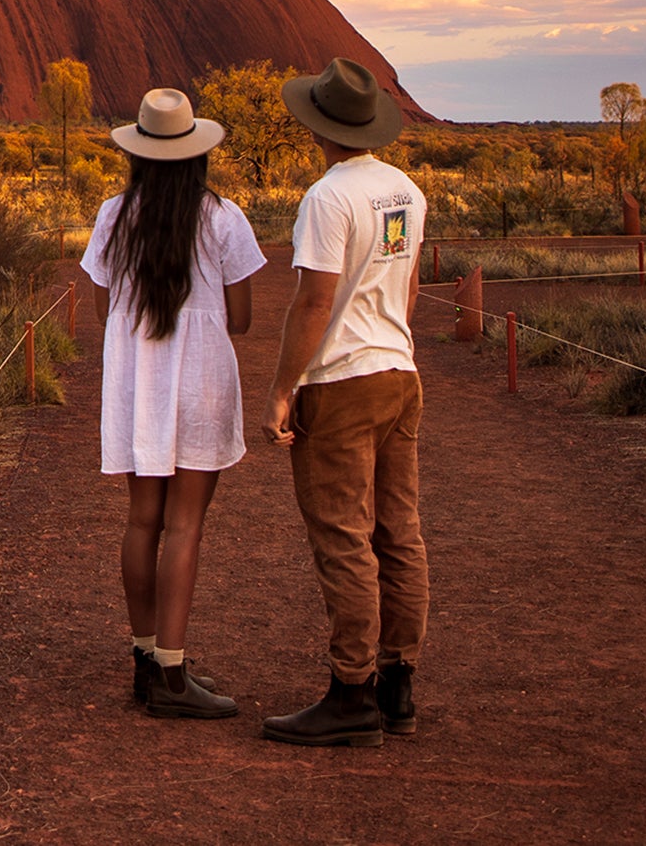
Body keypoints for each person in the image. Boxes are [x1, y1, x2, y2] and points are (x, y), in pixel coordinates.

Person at [81, 87, 266, 719]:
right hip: (201, 383)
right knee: (185, 525)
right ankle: (173, 675)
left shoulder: (113, 215)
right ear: (197, 155)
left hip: (136, 380)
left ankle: (144, 657)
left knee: (142, 520)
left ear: (137, 154)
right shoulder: (222, 218)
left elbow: (104, 308)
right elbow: (242, 319)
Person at [260, 57, 428, 748]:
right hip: (399, 371)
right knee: (398, 530)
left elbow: (315, 300)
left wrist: (282, 388)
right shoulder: (406, 191)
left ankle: (351, 691)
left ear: (317, 126)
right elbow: (409, 288)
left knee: (343, 536)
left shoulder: (327, 198)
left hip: (344, 381)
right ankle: (398, 683)